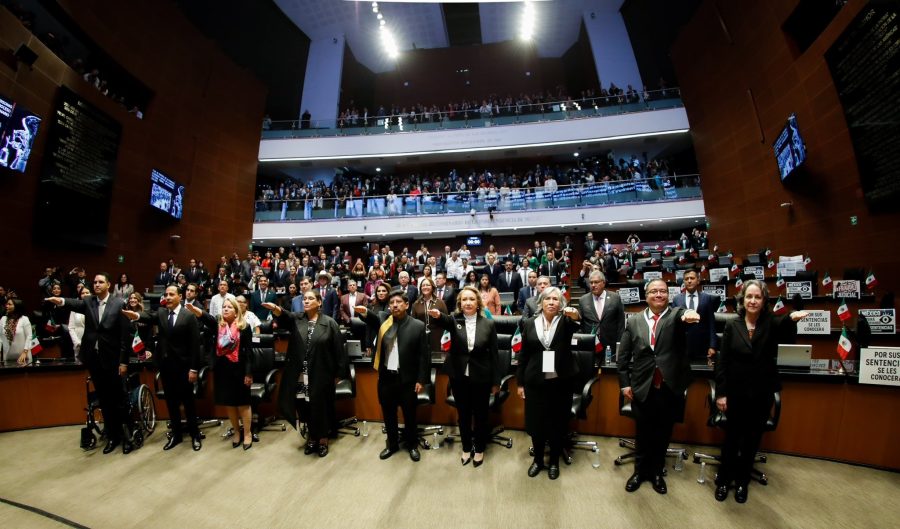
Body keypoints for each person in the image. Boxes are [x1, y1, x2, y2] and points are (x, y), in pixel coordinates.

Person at [714, 280, 808, 503]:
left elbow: (785, 329)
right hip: (735, 393)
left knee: (751, 441)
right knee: (732, 439)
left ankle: (742, 483)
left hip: (761, 394)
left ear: (764, 301)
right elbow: (722, 361)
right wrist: (721, 393)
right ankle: (724, 480)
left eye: (757, 297)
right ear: (742, 300)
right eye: (749, 296)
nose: (753, 301)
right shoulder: (732, 325)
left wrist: (792, 317)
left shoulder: (771, 324)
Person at [617, 278, 700, 494]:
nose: (659, 295)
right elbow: (623, 356)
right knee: (643, 432)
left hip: (668, 386)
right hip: (642, 386)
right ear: (646, 296)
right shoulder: (634, 320)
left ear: (668, 295)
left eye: (663, 291)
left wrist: (688, 314)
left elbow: (684, 315)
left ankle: (656, 472)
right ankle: (639, 472)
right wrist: (624, 384)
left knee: (662, 433)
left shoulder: (675, 315)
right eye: (654, 291)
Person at [46, 273, 134, 454]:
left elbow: (125, 336)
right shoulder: (89, 302)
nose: (97, 285)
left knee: (119, 399)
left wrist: (123, 362)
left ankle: (127, 436)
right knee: (105, 400)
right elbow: (74, 303)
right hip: (94, 360)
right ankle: (113, 436)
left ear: (109, 284)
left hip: (113, 359)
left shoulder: (119, 303)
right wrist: (60, 300)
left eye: (101, 282)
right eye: (95, 282)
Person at [264, 291, 346, 457]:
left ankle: (323, 438)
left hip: (321, 373)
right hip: (300, 373)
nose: (306, 301)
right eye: (304, 299)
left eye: (310, 298)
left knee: (320, 407)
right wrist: (276, 309)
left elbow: (339, 351)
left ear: (319, 302)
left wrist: (339, 374)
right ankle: (312, 437)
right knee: (304, 405)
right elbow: (285, 316)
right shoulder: (297, 319)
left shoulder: (329, 323)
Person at [125, 285, 203, 452]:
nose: (167, 297)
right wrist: (137, 315)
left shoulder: (189, 316)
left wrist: (194, 369)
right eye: (166, 294)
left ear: (180, 297)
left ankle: (195, 435)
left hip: (184, 368)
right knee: (172, 403)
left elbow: (195, 346)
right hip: (166, 367)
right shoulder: (161, 313)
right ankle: (176, 435)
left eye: (171, 294)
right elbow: (148, 316)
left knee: (188, 403)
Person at [428, 286, 499, 467]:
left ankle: (480, 448)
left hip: (481, 376)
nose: (468, 302)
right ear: (460, 303)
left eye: (471, 299)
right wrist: (437, 314)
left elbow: (495, 355)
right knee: (464, 414)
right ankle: (467, 447)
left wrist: (496, 381)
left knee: (481, 414)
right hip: (459, 376)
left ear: (478, 302)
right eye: (464, 299)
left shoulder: (488, 324)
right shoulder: (454, 320)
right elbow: (443, 320)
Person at [355, 291, 429, 462]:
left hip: (408, 379)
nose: (394, 305)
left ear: (406, 304)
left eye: (398, 302)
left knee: (410, 415)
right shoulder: (384, 320)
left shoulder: (417, 326)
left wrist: (421, 379)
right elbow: (371, 319)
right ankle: (392, 444)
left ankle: (412, 445)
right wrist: (364, 312)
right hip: (386, 377)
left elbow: (424, 356)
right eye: (392, 302)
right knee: (388, 414)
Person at [516, 286, 581, 480]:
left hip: (561, 381)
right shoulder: (528, 323)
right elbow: (523, 355)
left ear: (561, 304)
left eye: (556, 299)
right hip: (535, 381)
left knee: (557, 423)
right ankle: (537, 461)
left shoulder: (566, 322)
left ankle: (553, 461)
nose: (552, 302)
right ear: (541, 302)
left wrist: (575, 314)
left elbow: (578, 323)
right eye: (548, 299)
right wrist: (520, 383)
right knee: (536, 423)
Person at [188, 298, 253, 450]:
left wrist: (249, 373)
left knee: (243, 403)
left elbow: (249, 352)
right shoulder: (218, 325)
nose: (225, 309)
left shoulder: (244, 327)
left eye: (229, 307)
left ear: (236, 311)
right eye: (224, 307)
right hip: (222, 369)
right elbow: (207, 318)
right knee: (229, 403)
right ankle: (237, 432)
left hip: (240, 369)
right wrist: (195, 310)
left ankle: (248, 433)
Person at [671, 269, 719, 362]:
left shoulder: (707, 298)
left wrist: (712, 346)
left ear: (698, 280)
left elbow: (711, 324)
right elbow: (673, 324)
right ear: (684, 281)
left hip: (703, 345)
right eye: (686, 279)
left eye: (692, 278)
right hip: (682, 346)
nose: (689, 280)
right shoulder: (677, 299)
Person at [578, 270, 625, 360]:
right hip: (591, 345)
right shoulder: (583, 300)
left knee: (609, 373)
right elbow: (582, 323)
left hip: (611, 344)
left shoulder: (615, 298)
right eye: (591, 282)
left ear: (603, 283)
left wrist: (620, 343)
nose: (593, 285)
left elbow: (621, 323)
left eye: (596, 282)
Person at [410, 277, 448, 353]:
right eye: (423, 285)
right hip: (421, 337)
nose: (425, 287)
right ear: (420, 288)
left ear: (432, 287)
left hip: (437, 336)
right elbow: (412, 323)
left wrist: (444, 341)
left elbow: (447, 321)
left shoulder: (440, 302)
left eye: (428, 285)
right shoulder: (416, 303)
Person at [1, 298, 32, 365]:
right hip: (8, 357)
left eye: (9, 304)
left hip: (23, 357)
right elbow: (0, 338)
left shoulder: (24, 319)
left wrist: (25, 352)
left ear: (17, 306)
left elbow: (29, 336)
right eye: (7, 304)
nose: (7, 306)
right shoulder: (3, 319)